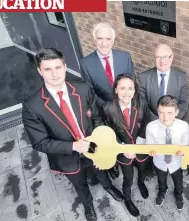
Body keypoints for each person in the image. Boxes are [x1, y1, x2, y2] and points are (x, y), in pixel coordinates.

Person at [22, 48, 123, 221]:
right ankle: (88, 204)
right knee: (79, 183)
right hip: (67, 156)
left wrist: (99, 140)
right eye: (48, 69)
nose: (54, 74)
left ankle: (109, 188)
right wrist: (73, 146)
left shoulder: (82, 88)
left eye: (58, 67)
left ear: (65, 66)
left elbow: (98, 117)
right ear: (40, 71)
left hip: (94, 147)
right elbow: (39, 142)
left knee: (101, 172)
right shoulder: (32, 105)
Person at [80, 22, 134, 180]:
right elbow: (89, 91)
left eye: (108, 38)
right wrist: (107, 108)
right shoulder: (86, 63)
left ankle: (128, 157)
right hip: (103, 109)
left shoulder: (125, 57)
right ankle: (114, 164)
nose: (104, 43)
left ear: (113, 40)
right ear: (94, 39)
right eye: (100, 38)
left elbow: (131, 81)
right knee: (109, 138)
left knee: (124, 134)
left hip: (125, 105)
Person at [101, 74, 150, 217]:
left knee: (142, 170)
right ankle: (128, 200)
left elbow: (146, 124)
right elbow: (107, 131)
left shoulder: (142, 104)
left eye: (130, 88)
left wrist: (139, 144)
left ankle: (141, 183)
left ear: (134, 90)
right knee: (127, 178)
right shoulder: (108, 108)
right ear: (116, 89)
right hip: (122, 151)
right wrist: (123, 147)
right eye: (122, 88)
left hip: (140, 148)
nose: (127, 93)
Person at [146, 95, 189, 210]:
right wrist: (151, 151)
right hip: (160, 162)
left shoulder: (184, 126)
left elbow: (186, 145)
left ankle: (178, 195)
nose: (165, 117)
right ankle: (162, 191)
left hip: (177, 163)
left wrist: (183, 151)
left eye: (169, 113)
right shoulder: (151, 127)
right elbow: (150, 146)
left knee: (178, 182)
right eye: (161, 112)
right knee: (161, 180)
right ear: (157, 111)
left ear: (176, 112)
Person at [138, 44, 189, 121]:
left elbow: (183, 104)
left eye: (165, 57)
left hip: (173, 123)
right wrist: (157, 122)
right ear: (154, 58)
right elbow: (142, 104)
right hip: (152, 122)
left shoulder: (181, 77)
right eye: (158, 57)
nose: (162, 61)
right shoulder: (144, 77)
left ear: (171, 57)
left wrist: (170, 121)